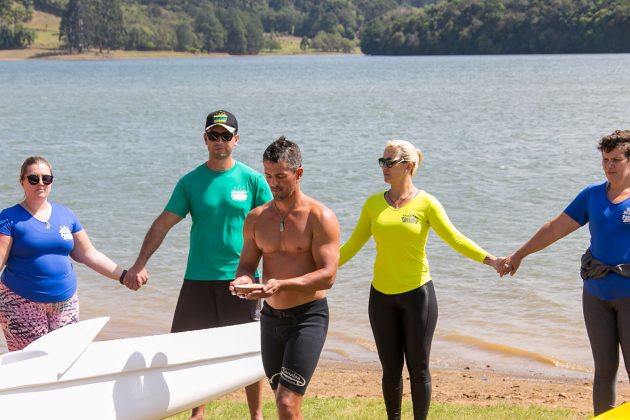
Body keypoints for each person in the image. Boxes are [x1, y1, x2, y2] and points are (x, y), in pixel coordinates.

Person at [338, 140, 504, 420]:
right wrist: (315, 269)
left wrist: (491, 260)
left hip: (418, 297)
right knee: (390, 369)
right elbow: (352, 246)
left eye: (389, 162)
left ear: (408, 166)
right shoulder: (373, 204)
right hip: (381, 297)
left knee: (419, 368)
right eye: (382, 161)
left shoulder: (426, 203)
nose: (384, 167)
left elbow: (455, 238)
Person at [124, 110, 270, 420]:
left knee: (247, 350)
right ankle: (198, 413)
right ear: (205, 139)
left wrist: (275, 278)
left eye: (226, 135)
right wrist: (139, 263)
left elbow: (273, 227)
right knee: (190, 350)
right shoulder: (190, 182)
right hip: (198, 279)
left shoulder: (252, 180)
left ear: (237, 139)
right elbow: (163, 224)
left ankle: (256, 415)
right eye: (214, 135)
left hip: (241, 279)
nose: (220, 141)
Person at [501, 130, 630, 416]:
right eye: (605, 159)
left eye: (616, 160)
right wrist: (520, 254)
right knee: (604, 369)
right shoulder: (592, 195)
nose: (609, 165)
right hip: (596, 294)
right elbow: (555, 228)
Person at [231, 137, 340, 420]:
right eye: (268, 176)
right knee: (284, 403)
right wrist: (243, 282)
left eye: (280, 176)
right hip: (270, 320)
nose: (273, 183)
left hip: (308, 319)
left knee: (287, 403)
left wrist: (283, 284)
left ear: (298, 173)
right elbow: (246, 265)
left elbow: (328, 276)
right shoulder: (255, 218)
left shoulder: (320, 217)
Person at [0, 156, 137, 352]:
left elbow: (89, 254)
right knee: (30, 363)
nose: (40, 183)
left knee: (65, 358)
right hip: (21, 304)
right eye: (33, 178)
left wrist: (124, 276)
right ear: (22, 181)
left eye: (46, 178)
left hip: (65, 303)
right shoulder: (9, 218)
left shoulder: (66, 215)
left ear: (51, 182)